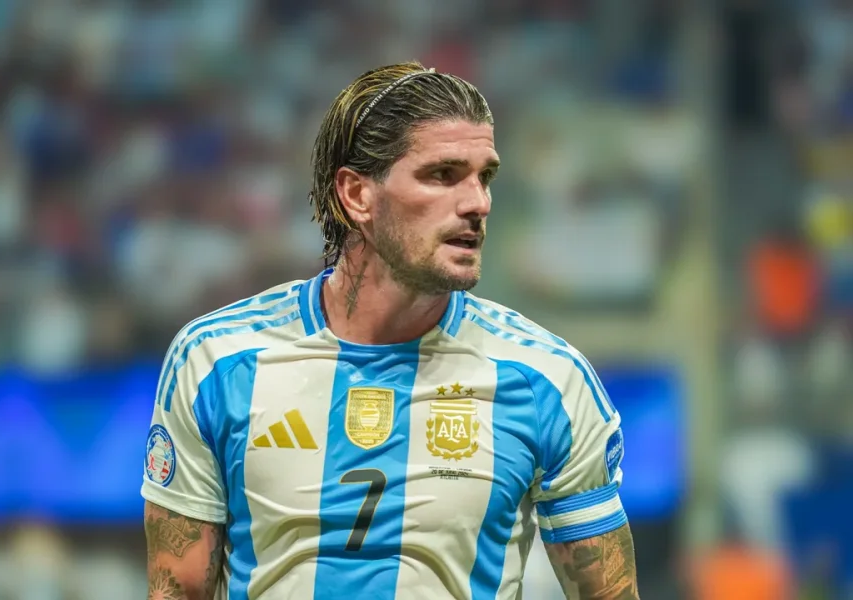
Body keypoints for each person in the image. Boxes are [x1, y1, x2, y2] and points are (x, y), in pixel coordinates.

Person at [141, 61, 638, 600]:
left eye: (485, 177)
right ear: (357, 195)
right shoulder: (217, 361)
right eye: (442, 174)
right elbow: (177, 589)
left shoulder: (548, 379)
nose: (477, 202)